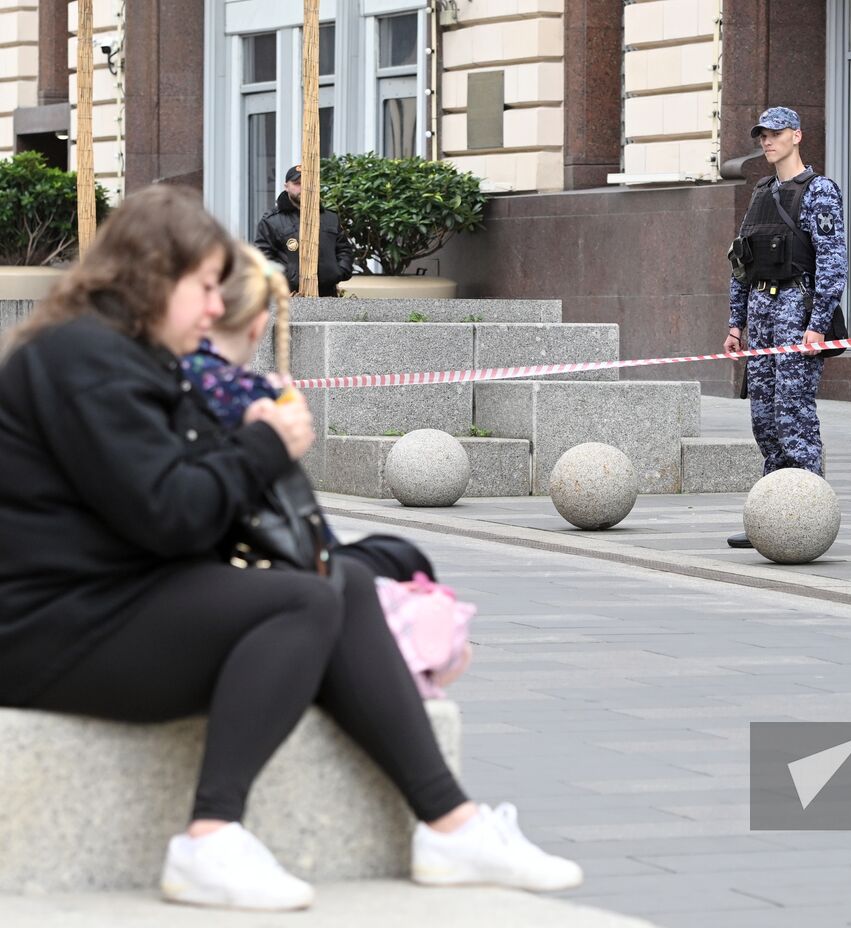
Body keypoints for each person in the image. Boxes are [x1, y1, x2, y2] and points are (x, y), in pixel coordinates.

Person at [0, 186, 582, 911]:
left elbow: (173, 503)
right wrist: (261, 445)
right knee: (301, 603)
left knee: (345, 583)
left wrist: (241, 444)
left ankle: (449, 823)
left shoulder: (121, 354)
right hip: (48, 631)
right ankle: (210, 837)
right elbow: (169, 515)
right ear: (152, 274)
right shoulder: (83, 357)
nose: (218, 307)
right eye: (206, 287)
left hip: (103, 603)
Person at [183, 241, 436, 583]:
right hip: (257, 554)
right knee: (404, 559)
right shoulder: (252, 395)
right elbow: (297, 507)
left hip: (205, 552)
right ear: (258, 324)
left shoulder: (166, 373)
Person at [723, 106, 847, 549]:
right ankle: (772, 515)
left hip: (798, 310)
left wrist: (817, 326)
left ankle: (805, 514)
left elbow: (833, 263)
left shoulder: (819, 191)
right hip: (761, 313)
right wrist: (736, 324)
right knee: (765, 419)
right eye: (762, 135)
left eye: (775, 134)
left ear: (797, 135)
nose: (767, 142)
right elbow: (741, 263)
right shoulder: (761, 192)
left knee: (794, 417)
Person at [254, 164, 354, 297]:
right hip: (288, 296)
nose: (303, 187)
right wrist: (285, 279)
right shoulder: (271, 221)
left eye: (306, 183)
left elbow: (344, 250)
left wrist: (338, 272)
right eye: (297, 183)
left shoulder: (330, 218)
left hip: (327, 295)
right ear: (286, 186)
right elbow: (262, 258)